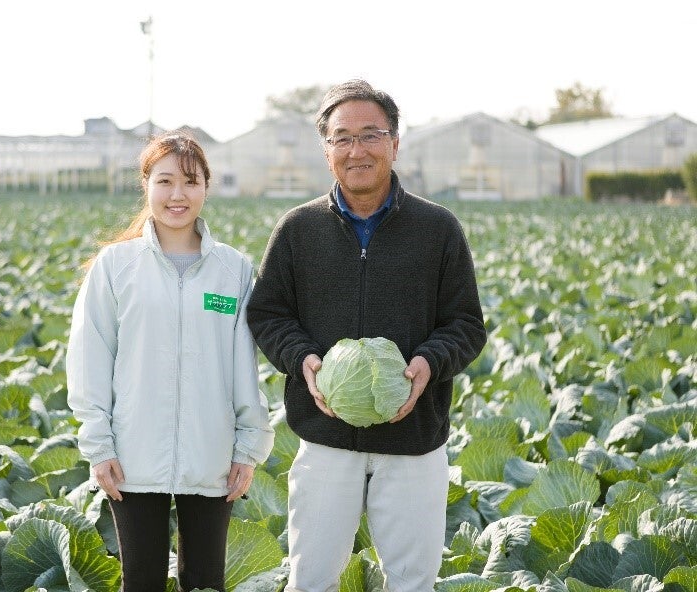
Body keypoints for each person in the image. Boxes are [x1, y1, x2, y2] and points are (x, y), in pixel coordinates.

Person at [246, 79, 486, 592]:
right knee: (311, 579)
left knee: (413, 582)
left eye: (371, 135)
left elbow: (466, 324)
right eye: (342, 138)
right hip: (326, 437)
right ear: (326, 149)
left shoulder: (438, 228)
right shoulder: (297, 229)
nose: (357, 150)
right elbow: (268, 314)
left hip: (414, 441)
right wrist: (303, 359)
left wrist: (427, 364)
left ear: (395, 144)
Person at [67, 131, 274, 592]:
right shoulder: (115, 265)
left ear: (206, 188)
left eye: (190, 182)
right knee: (140, 580)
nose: (177, 195)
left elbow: (245, 366)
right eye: (165, 181)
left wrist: (248, 446)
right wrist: (98, 445)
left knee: (205, 581)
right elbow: (90, 357)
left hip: (213, 452)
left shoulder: (233, 269)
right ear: (147, 186)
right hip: (132, 453)